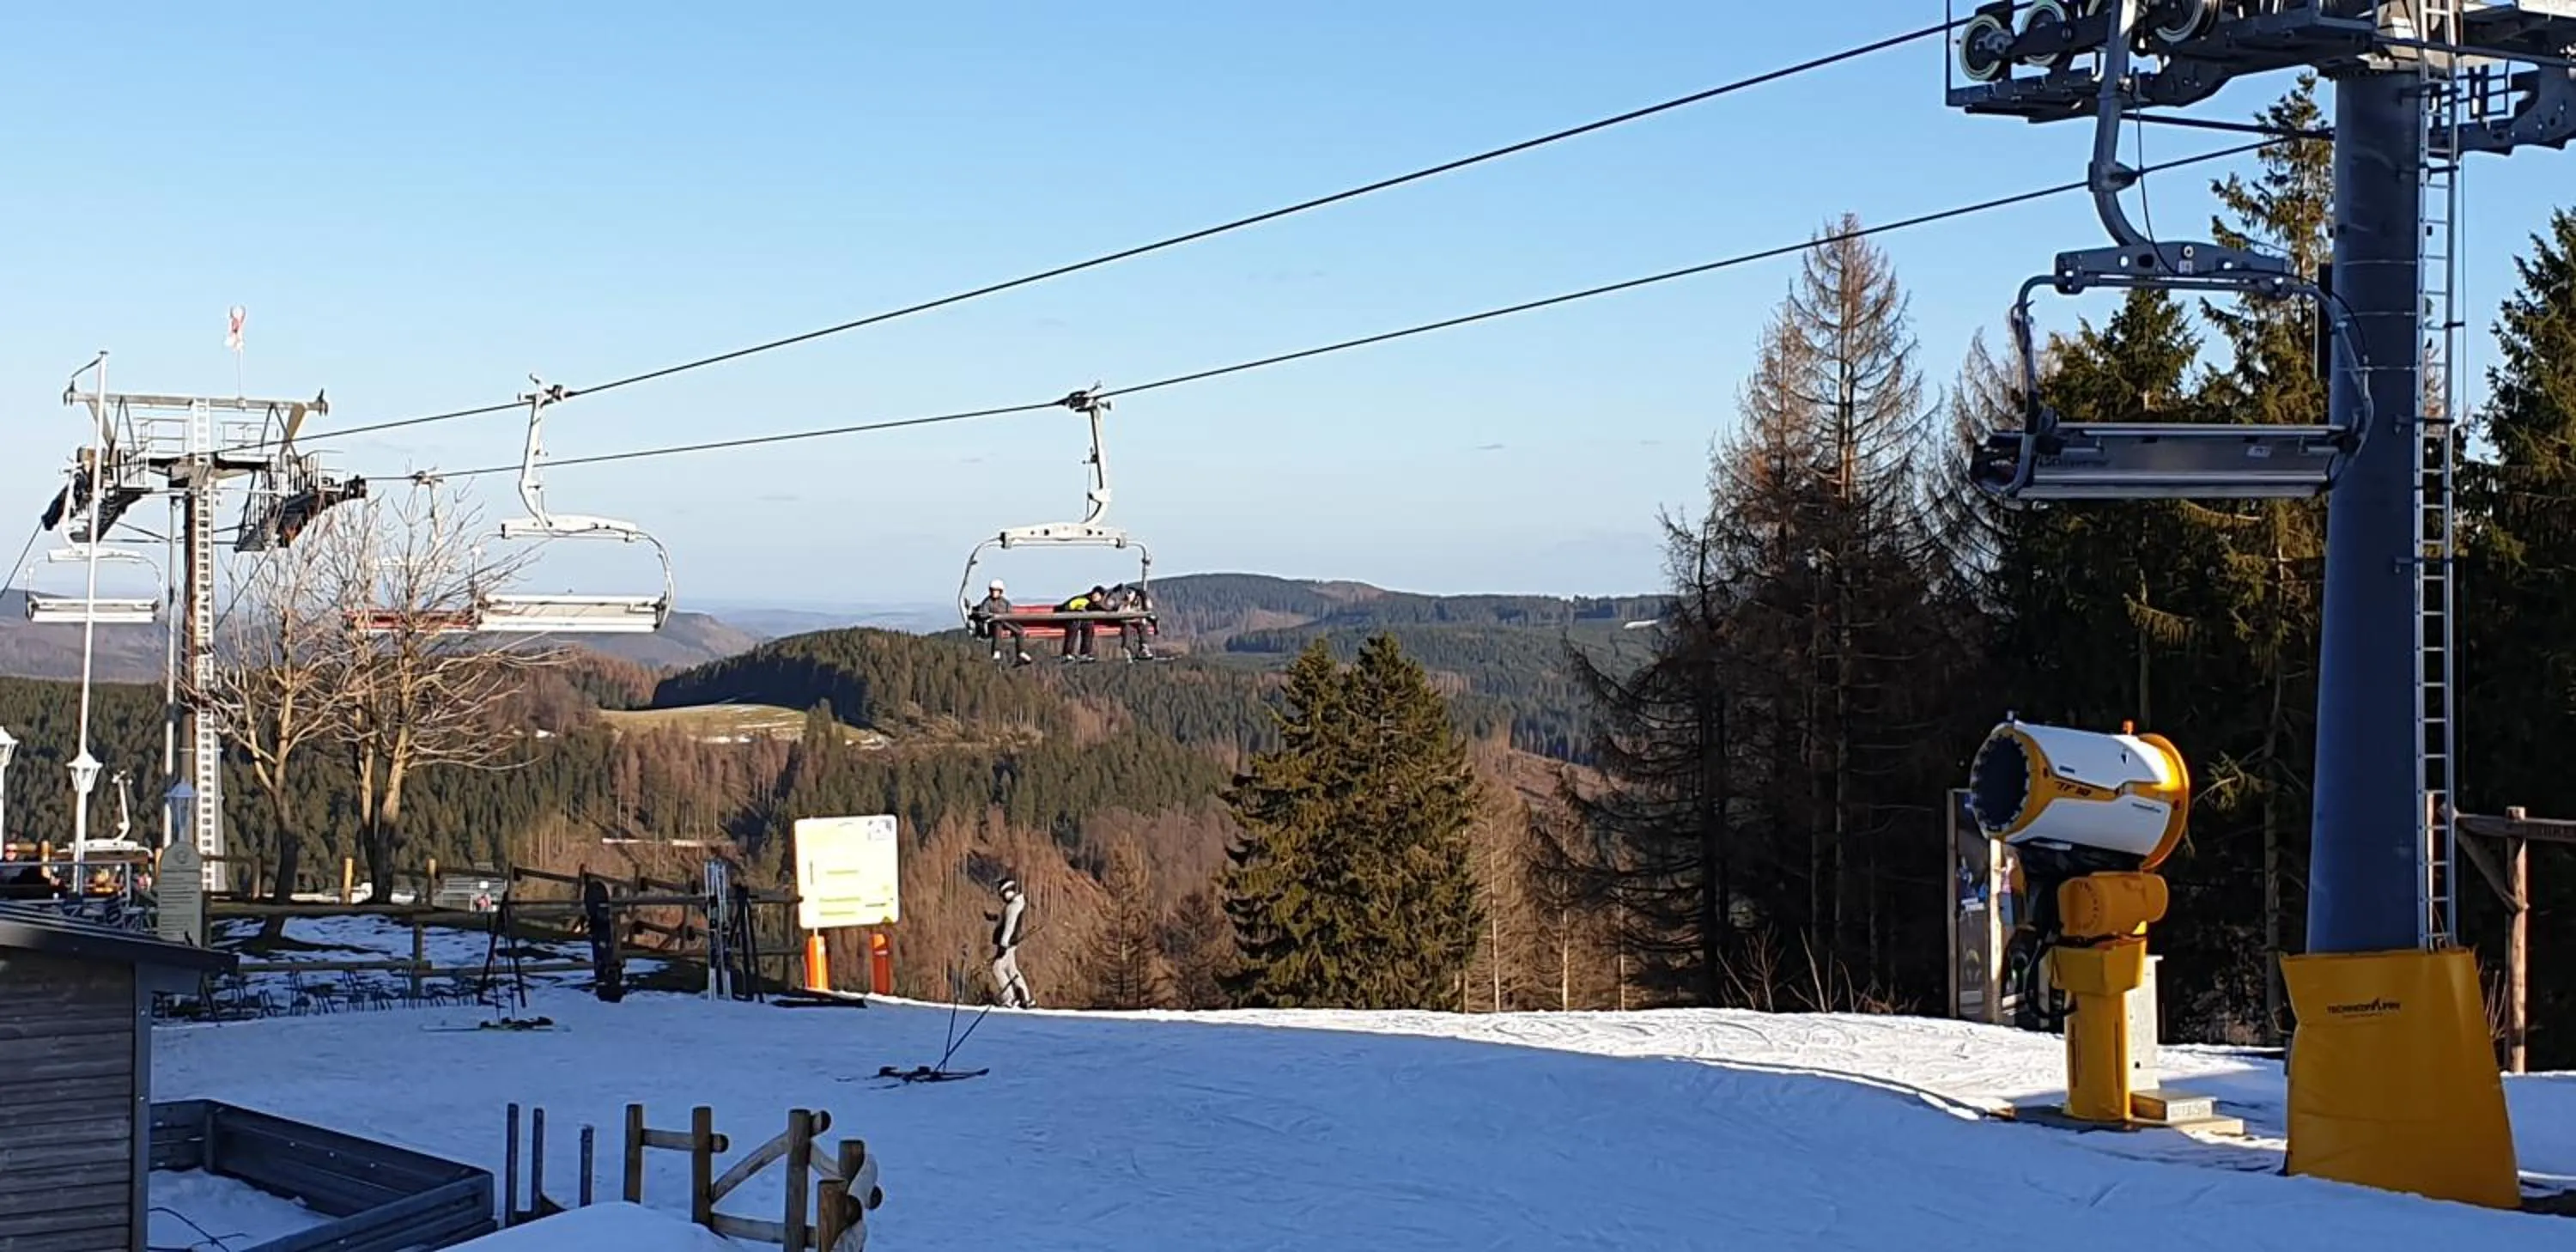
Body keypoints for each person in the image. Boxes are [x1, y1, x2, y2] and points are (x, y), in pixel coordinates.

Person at [987, 877, 1032, 1007]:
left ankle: (1009, 998)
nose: (1002, 897)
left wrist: (1003, 945)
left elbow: (1009, 926)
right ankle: (1025, 997)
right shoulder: (1016, 904)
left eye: (1002, 894)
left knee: (997, 968)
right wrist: (995, 918)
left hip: (1007, 943)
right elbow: (1006, 920)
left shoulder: (1013, 906)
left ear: (1008, 891)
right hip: (1011, 943)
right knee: (1011, 970)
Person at [972, 579, 1032, 666]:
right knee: (998, 626)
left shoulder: (1005, 602)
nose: (994, 593)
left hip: (1004, 621)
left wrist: (1007, 617)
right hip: (993, 624)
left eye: (996, 591)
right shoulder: (987, 602)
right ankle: (996, 651)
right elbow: (983, 613)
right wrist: (990, 616)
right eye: (993, 590)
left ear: (1000, 592)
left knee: (1019, 630)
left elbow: (1010, 613)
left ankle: (1021, 653)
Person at [1054, 586, 1109, 662]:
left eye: (1098, 595)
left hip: (1079, 620)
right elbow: (1066, 607)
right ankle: (1067, 653)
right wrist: (1077, 610)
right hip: (1066, 618)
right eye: (1095, 594)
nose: (1095, 596)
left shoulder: (1097, 604)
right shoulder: (1083, 600)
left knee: (1089, 624)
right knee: (1074, 625)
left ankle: (1085, 653)